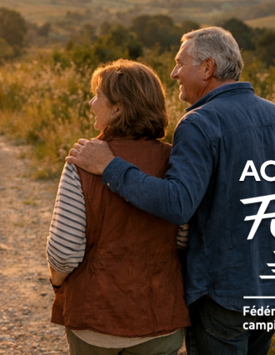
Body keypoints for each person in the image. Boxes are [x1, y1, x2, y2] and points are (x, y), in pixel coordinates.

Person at [67, 27, 275, 355]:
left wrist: (110, 167)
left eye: (180, 63)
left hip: (222, 295)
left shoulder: (200, 122)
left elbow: (177, 203)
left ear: (207, 68)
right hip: (273, 290)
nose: (174, 73)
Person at [47, 60, 189, 355]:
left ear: (117, 109)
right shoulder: (176, 161)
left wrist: (58, 282)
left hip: (97, 321)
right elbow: (184, 239)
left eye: (97, 95)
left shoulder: (84, 160)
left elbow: (64, 252)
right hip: (161, 317)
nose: (91, 101)